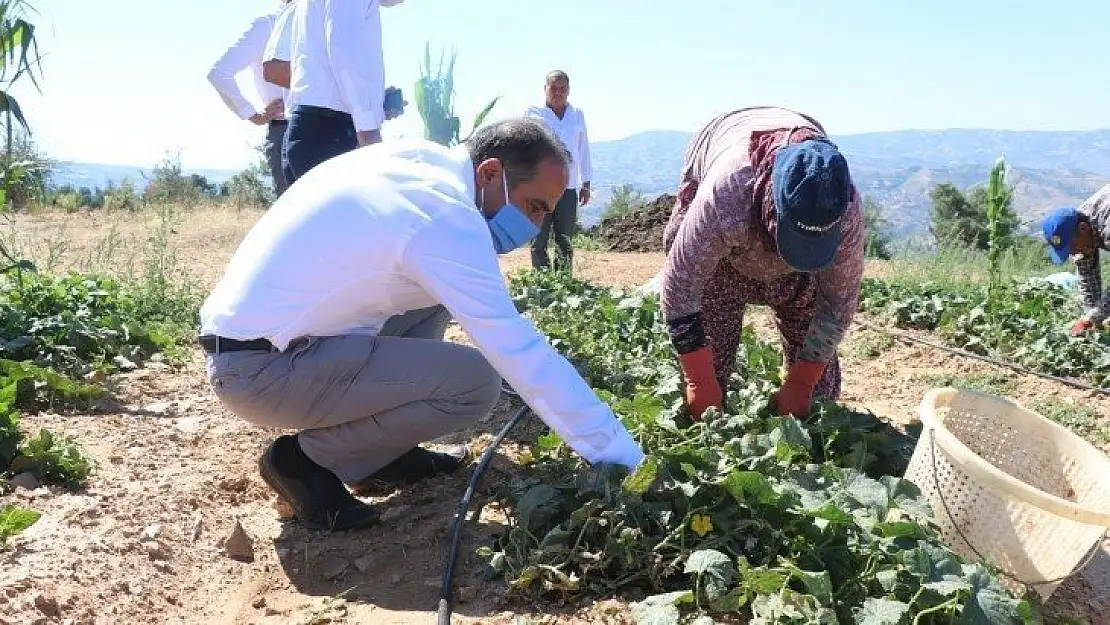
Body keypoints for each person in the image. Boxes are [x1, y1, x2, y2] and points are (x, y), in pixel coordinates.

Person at [198, 118, 645, 530]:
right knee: (475, 383)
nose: (534, 226)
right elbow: (519, 353)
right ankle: (303, 463)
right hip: (262, 373)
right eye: (533, 207)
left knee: (433, 298)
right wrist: (623, 459)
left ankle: (382, 453)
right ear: (490, 174)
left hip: (265, 347)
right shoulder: (443, 217)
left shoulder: (418, 164)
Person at [659, 106, 864, 421]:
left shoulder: (843, 207)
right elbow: (680, 286)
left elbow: (838, 304)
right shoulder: (726, 195)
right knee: (708, 366)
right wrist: (698, 379)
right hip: (726, 250)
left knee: (817, 397)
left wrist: (802, 380)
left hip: (796, 275)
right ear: (772, 205)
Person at [280, 0, 405, 185]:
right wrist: (368, 128)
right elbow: (343, 53)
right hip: (330, 133)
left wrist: (375, 101)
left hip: (313, 129)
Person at [206, 1, 292, 198]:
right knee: (296, 214)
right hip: (285, 131)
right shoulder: (268, 25)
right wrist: (253, 115)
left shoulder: (319, 23)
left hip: (332, 128)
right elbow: (219, 73)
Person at [524, 70, 592, 273]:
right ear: (545, 89)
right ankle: (542, 283)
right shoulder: (533, 113)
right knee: (539, 237)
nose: (558, 93)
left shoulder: (576, 115)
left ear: (568, 90)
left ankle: (563, 283)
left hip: (568, 187)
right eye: (553, 88)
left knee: (564, 239)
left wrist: (586, 182)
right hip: (540, 186)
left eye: (562, 89)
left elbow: (583, 148)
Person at [1041, 185, 1110, 336]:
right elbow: (1086, 275)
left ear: (1084, 228)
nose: (1072, 252)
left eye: (1072, 246)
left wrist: (1095, 316)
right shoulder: (1077, 225)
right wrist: (1090, 319)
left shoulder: (1106, 225)